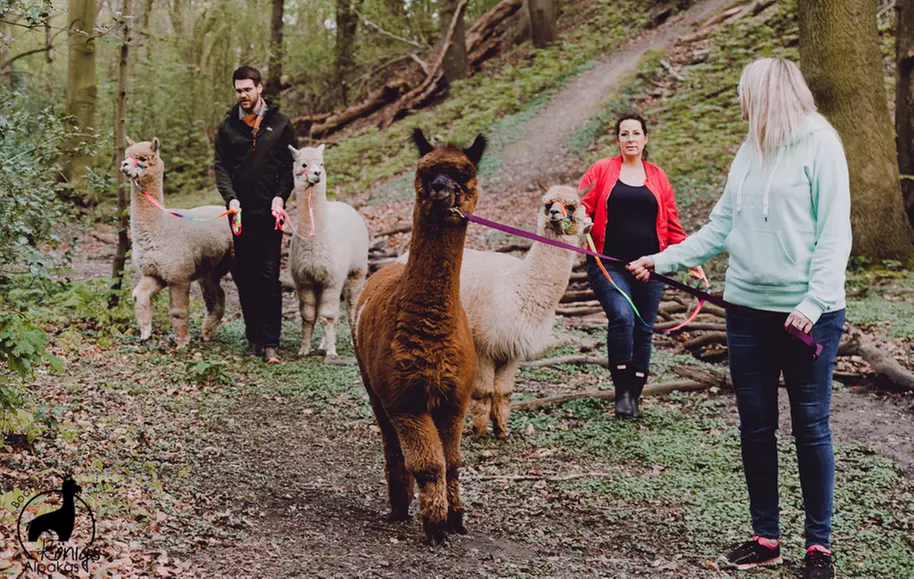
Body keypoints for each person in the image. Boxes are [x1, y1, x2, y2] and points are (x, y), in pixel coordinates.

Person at [628, 58, 850, 579]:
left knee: (811, 427)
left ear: (769, 94)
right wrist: (661, 260)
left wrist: (813, 304)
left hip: (807, 317)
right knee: (756, 427)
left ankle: (818, 547)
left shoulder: (821, 144)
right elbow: (719, 225)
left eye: (744, 91)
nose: (739, 100)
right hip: (746, 312)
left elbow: (834, 233)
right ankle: (766, 537)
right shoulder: (750, 149)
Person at [578, 111, 696, 420]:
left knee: (644, 330)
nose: (631, 139)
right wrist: (583, 221)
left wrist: (687, 258)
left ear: (645, 138)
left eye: (636, 133)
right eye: (624, 134)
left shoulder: (658, 176)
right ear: (617, 139)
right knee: (622, 317)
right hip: (609, 264)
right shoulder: (600, 171)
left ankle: (634, 394)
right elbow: (579, 207)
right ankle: (621, 393)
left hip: (651, 266)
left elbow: (671, 223)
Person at [214, 66, 298, 363]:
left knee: (268, 275)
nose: (243, 95)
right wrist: (231, 198)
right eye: (238, 90)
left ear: (259, 88)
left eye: (247, 89)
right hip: (239, 213)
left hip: (270, 212)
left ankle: (273, 342)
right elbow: (221, 168)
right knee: (245, 277)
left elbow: (290, 167)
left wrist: (280, 195)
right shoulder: (228, 127)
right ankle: (254, 339)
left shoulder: (281, 124)